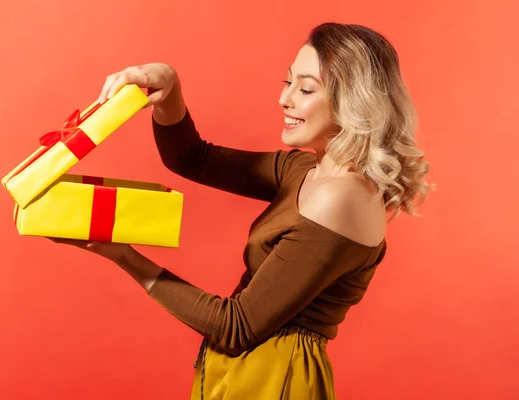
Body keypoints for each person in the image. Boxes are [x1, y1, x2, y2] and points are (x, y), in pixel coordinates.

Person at [50, 22, 432, 399]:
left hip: (275, 381)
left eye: (306, 88)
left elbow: (237, 326)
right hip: (245, 372)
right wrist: (168, 87)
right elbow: (191, 158)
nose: (285, 99)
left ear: (354, 102)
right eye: (288, 83)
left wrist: (122, 254)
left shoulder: (342, 197)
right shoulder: (304, 171)